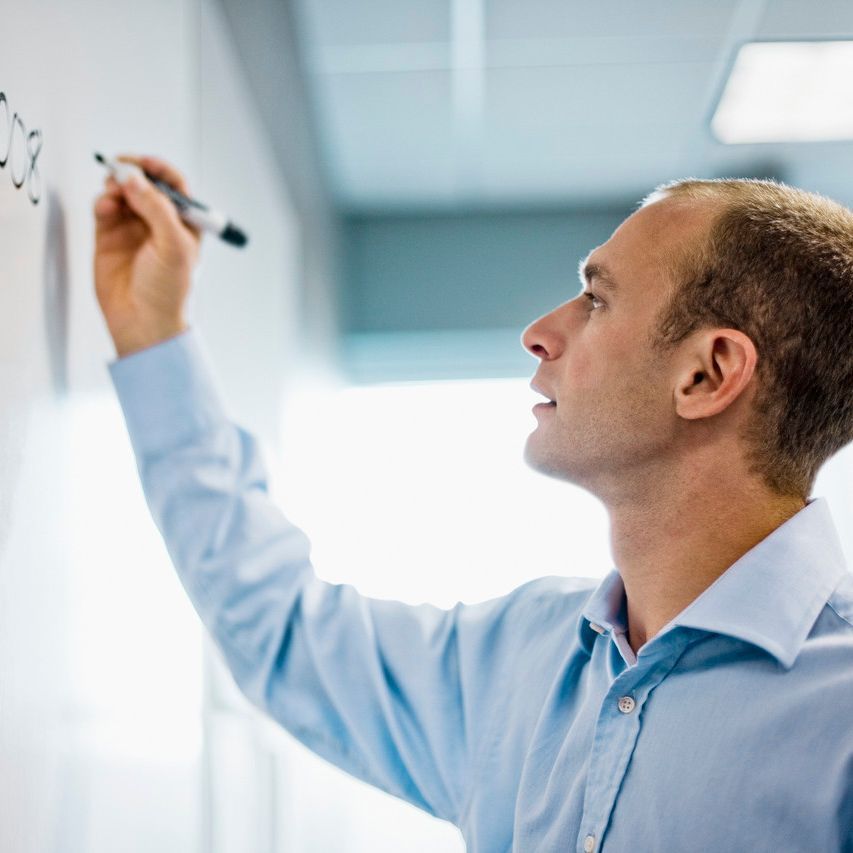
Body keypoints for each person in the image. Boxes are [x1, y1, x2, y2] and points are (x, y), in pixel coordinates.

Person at [93, 155, 853, 853]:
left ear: (706, 373)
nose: (538, 333)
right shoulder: (521, 659)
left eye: (595, 299)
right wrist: (151, 333)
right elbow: (281, 627)